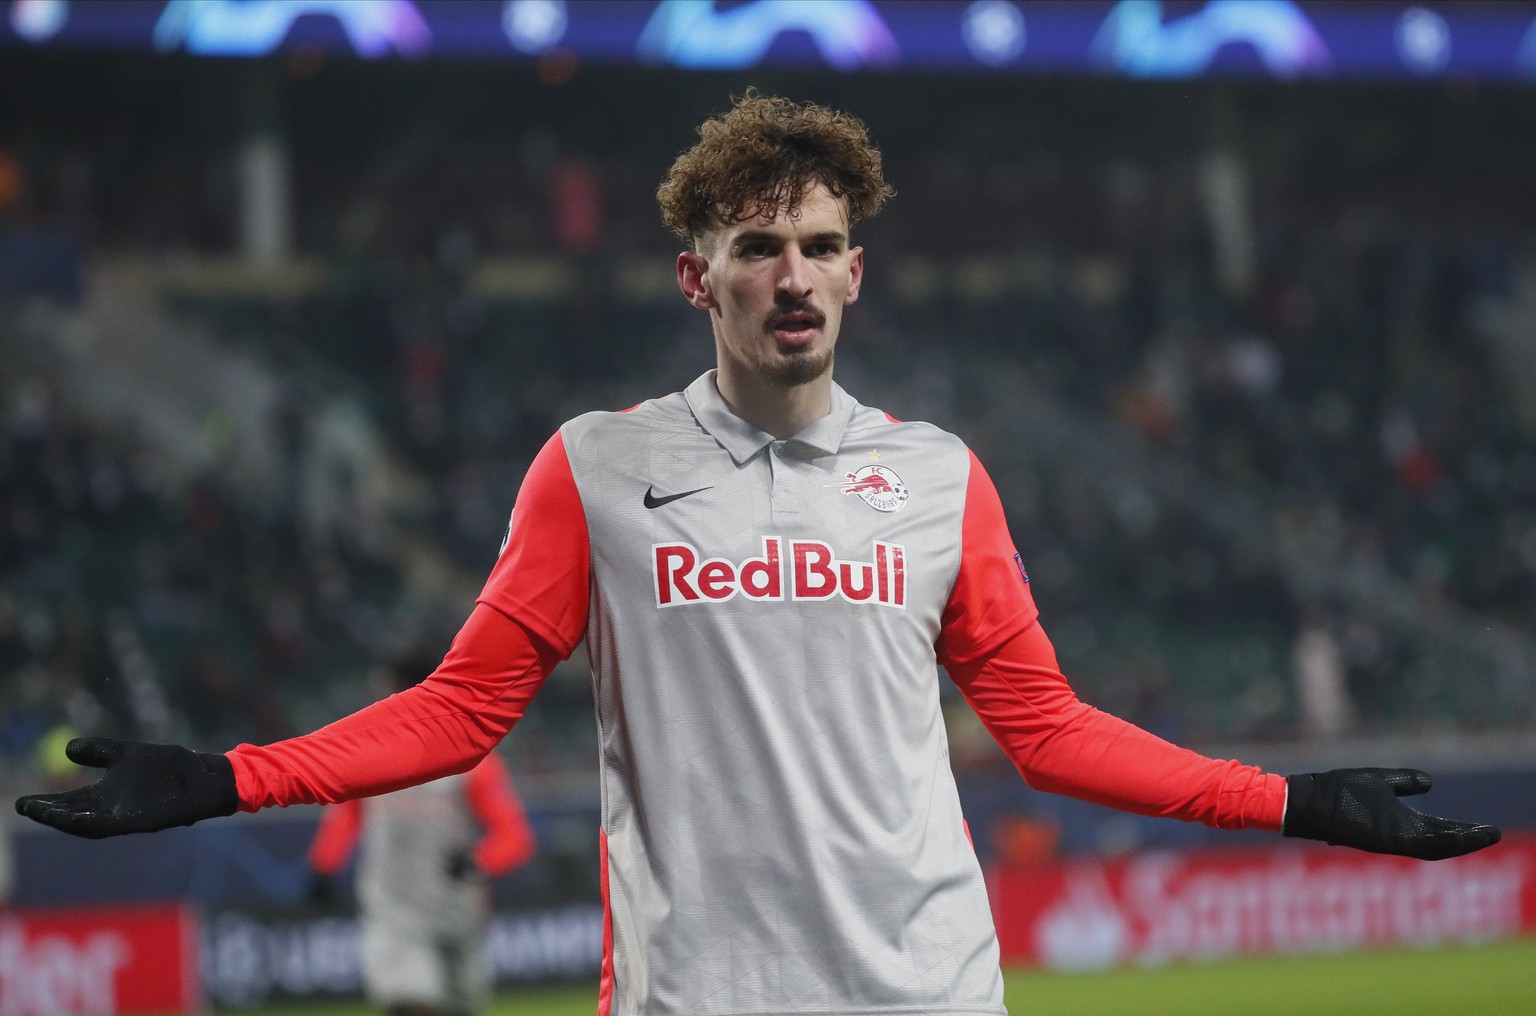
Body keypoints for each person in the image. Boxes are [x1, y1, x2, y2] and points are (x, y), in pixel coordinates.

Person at [15, 91, 1500, 1015]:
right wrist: (225, 780)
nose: (791, 275)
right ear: (697, 276)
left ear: (858, 270)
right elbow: (461, 711)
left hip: (928, 991)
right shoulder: (597, 466)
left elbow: (1043, 735)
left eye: (818, 245)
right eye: (757, 248)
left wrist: (1295, 799)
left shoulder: (938, 478)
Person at [306, 656, 536, 1016]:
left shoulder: (470, 759)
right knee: (409, 1001)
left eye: (387, 689)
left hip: (455, 910)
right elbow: (345, 816)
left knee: (458, 1006)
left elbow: (514, 837)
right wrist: (324, 867)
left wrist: (476, 860)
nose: (378, 699)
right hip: (393, 907)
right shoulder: (369, 756)